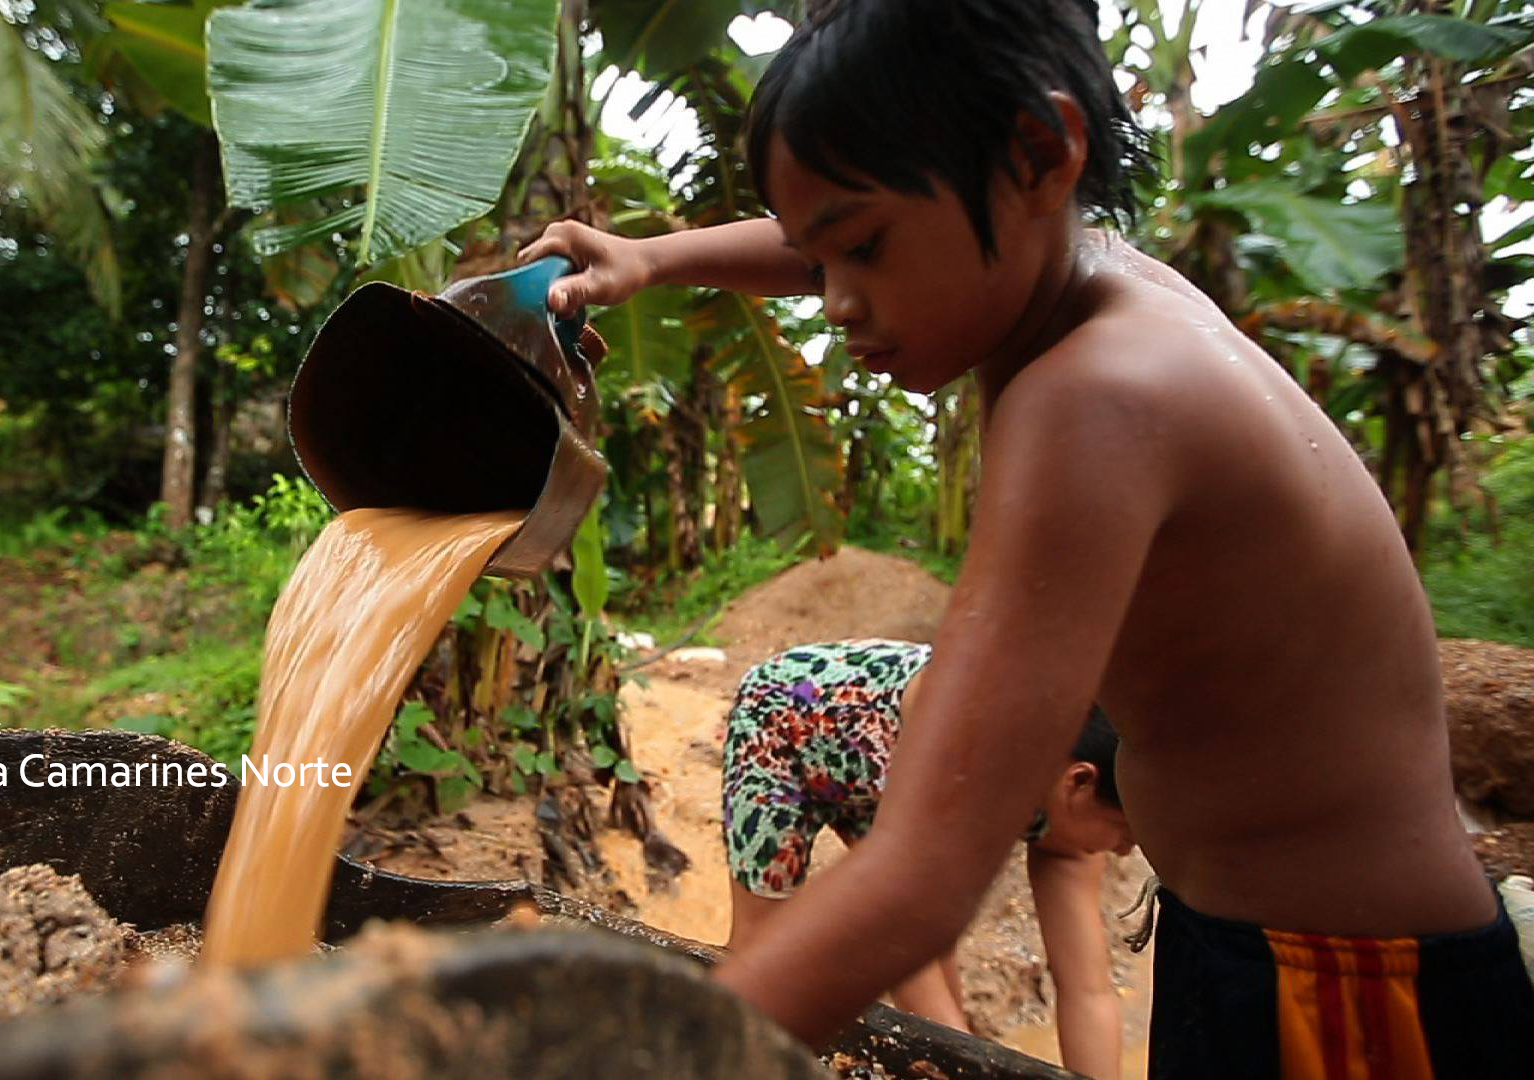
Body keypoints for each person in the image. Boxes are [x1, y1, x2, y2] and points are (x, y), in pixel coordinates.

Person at [518, 1, 1534, 1075]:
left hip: (1352, 985)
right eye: (823, 260)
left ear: (1042, 155)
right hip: (1251, 937)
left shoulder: (1096, 399)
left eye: (860, 250)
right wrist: (651, 260)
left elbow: (920, 876)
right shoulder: (1095, 277)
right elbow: (825, 231)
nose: (839, 301)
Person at [723, 639, 1133, 1078]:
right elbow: (894, 933)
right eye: (1126, 832)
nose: (1126, 849)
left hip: (895, 778)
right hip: (789, 721)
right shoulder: (976, 754)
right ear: (1079, 784)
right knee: (760, 944)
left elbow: (1088, 991)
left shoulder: (1078, 819)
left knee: (938, 965)